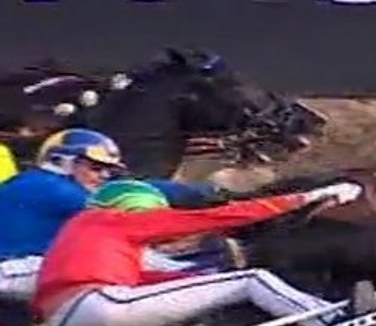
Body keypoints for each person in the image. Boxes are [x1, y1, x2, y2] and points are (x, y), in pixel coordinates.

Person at [33, 178, 376, 326]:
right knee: (254, 280)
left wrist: (214, 279)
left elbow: (167, 281)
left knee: (232, 288)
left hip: (70, 322)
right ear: (135, 207)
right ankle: (335, 323)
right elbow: (210, 218)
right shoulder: (109, 220)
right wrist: (307, 197)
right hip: (99, 307)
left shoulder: (80, 235)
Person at [0, 128, 225, 301]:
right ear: (62, 162)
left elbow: (130, 187)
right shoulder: (48, 186)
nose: (104, 176)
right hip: (16, 271)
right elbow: (128, 210)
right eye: (96, 168)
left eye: (108, 171)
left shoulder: (39, 183)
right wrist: (214, 193)